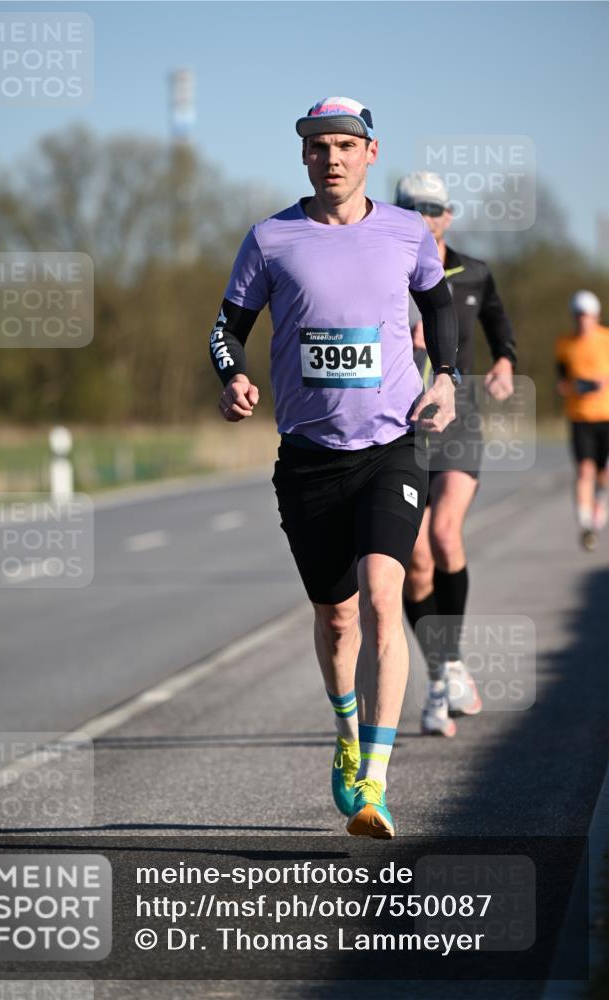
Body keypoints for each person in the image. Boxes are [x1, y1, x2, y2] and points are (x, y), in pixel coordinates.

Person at [209, 98, 458, 838]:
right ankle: (346, 734)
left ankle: (375, 782)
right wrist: (232, 376)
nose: (332, 158)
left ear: (370, 153)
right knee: (336, 613)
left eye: (346, 145)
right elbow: (227, 326)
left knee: (385, 591)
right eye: (319, 147)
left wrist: (443, 374)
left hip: (391, 445)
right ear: (304, 156)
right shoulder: (270, 239)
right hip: (310, 460)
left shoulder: (406, 232)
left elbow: (438, 304)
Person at [395, 172, 517, 738]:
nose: (425, 216)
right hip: (400, 423)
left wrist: (505, 361)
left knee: (445, 536)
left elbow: (497, 321)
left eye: (435, 208)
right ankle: (442, 670)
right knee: (414, 559)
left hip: (458, 415)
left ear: (448, 215)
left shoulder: (475, 272)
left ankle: (449, 665)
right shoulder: (384, 269)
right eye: (412, 207)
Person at [555, 290, 609, 551]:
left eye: (585, 316)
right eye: (577, 316)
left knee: (603, 474)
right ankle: (586, 524)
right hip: (579, 417)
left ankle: (599, 507)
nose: (581, 321)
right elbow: (562, 383)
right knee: (584, 470)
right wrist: (574, 386)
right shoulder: (564, 344)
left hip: (607, 416)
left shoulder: (606, 340)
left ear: (595, 316)